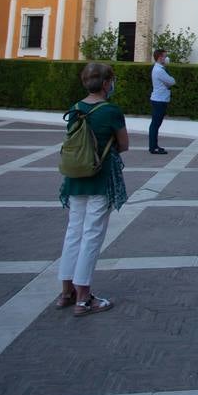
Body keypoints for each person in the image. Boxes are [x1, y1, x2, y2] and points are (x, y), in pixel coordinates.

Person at [56, 62, 129, 317]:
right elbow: (124, 144)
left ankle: (66, 291)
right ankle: (84, 297)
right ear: (107, 83)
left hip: (75, 177)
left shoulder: (75, 108)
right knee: (92, 234)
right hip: (100, 177)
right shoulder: (111, 110)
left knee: (74, 232)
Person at [148, 48, 175, 154]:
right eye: (165, 56)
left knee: (155, 124)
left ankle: (154, 145)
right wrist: (170, 81)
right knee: (155, 124)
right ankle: (153, 147)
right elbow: (172, 81)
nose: (166, 58)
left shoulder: (160, 69)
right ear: (160, 58)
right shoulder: (159, 70)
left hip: (159, 99)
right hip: (159, 100)